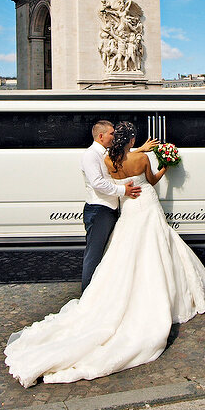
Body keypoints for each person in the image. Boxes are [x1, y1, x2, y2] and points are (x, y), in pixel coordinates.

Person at [5, 122, 205, 387]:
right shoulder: (139, 158)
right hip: (144, 203)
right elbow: (150, 180)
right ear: (128, 140)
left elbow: (118, 163)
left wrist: (134, 153)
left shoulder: (109, 159)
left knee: (123, 251)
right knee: (156, 245)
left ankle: (97, 296)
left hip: (128, 209)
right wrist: (166, 165)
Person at [79, 120, 154, 291]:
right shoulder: (91, 155)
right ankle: (87, 295)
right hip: (99, 210)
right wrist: (123, 190)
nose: (115, 137)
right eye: (112, 133)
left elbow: (125, 157)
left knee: (106, 253)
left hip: (109, 209)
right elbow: (97, 183)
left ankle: (99, 292)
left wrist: (141, 149)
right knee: (94, 254)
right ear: (101, 135)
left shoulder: (105, 154)